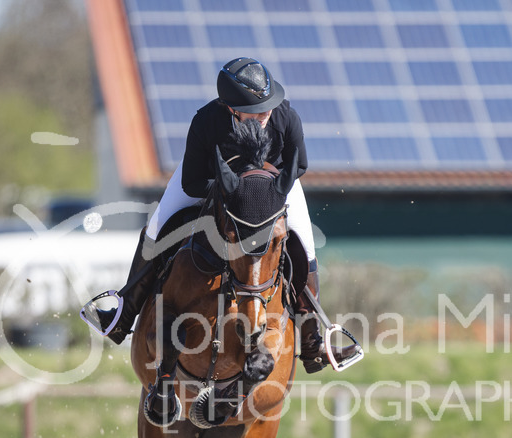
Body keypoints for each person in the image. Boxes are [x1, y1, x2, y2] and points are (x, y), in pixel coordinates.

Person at [104, 57, 359, 373]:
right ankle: (124, 312)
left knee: (305, 246)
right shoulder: (207, 121)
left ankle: (313, 341)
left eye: (266, 107)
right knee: (157, 227)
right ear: (231, 109)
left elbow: (300, 165)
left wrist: (262, 187)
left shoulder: (285, 117)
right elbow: (192, 183)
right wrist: (231, 191)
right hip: (211, 182)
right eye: (254, 111)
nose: (264, 115)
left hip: (272, 187)